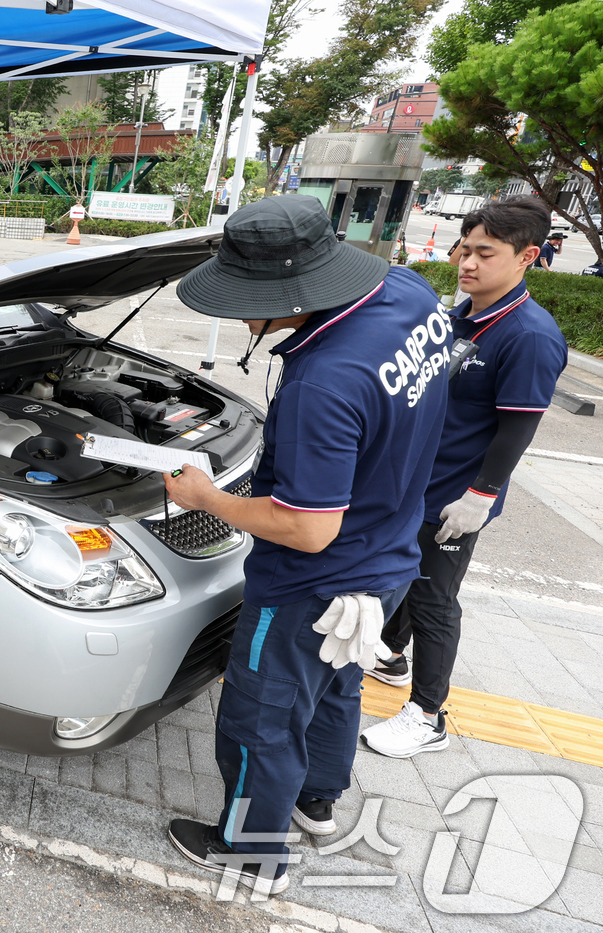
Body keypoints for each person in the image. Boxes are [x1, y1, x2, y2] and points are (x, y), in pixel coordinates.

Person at [160, 196, 451, 896]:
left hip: (308, 581)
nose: (237, 317)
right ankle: (317, 799)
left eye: (240, 301)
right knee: (337, 680)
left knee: (261, 714)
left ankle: (253, 853)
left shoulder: (326, 381)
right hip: (385, 556)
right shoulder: (406, 290)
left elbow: (308, 525)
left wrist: (205, 499)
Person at [363, 198, 567, 758]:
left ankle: (427, 716)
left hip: (456, 497)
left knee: (433, 599)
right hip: (417, 484)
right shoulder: (465, 316)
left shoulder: (529, 335)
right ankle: (391, 653)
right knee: (404, 573)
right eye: (464, 250)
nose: (467, 263)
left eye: (485, 253)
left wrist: (481, 495)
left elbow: (516, 429)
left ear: (528, 257)